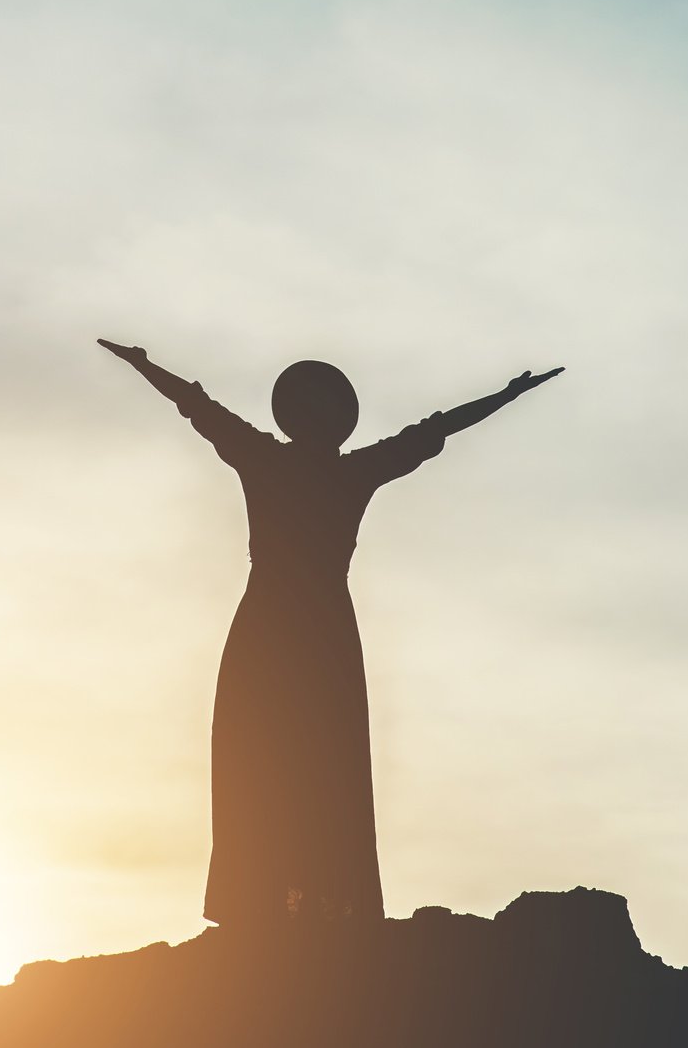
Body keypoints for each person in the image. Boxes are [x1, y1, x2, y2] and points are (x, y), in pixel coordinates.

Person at [98, 340, 563, 930]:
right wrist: (506, 396)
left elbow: (197, 406)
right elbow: (434, 430)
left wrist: (143, 364)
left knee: (287, 760)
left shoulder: (270, 458)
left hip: (278, 629)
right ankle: (281, 907)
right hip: (309, 632)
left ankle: (280, 907)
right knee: (299, 761)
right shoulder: (341, 470)